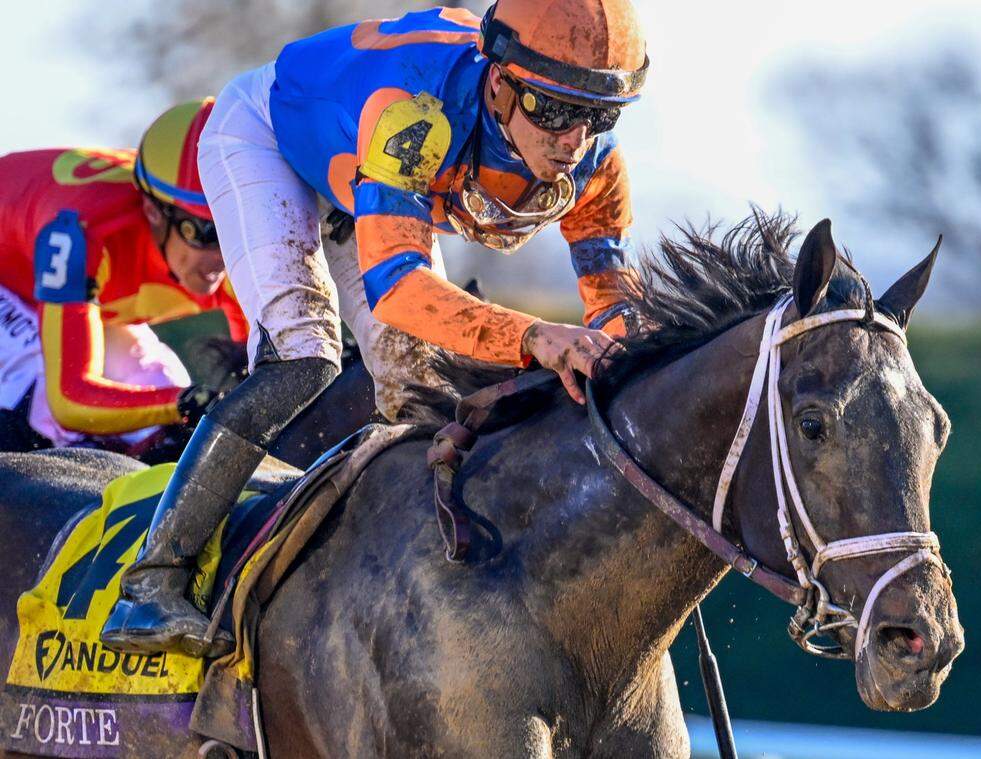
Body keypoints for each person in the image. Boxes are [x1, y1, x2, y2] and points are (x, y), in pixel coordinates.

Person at [102, 0, 648, 657]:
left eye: (598, 115)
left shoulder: (596, 165)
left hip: (357, 170)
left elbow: (615, 309)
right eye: (557, 111)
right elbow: (399, 289)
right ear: (500, 84)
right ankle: (152, 582)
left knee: (425, 395)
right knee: (306, 358)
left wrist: (632, 386)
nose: (573, 140)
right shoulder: (416, 112)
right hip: (268, 140)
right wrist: (535, 337)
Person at [0, 100, 246, 455]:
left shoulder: (226, 256)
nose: (221, 256)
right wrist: (185, 403)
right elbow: (69, 400)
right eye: (205, 232)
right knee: (47, 411)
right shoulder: (82, 232)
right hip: (14, 281)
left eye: (233, 229)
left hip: (63, 295)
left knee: (160, 385)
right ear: (154, 212)